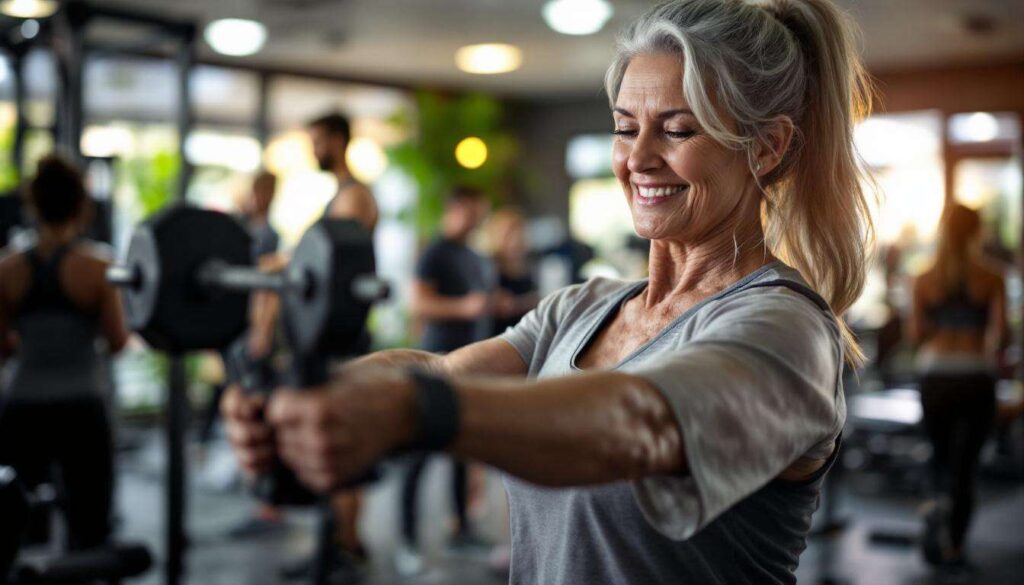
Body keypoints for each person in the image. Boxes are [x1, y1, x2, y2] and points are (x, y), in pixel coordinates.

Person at [224, 0, 875, 582]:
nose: (637, 158)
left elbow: (638, 424)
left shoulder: (788, 330)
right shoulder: (581, 308)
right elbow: (441, 371)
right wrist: (308, 398)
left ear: (766, 147)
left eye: (677, 129)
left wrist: (411, 410)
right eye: (625, 127)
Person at [0, 154, 129, 550]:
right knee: (89, 527)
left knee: (18, 528)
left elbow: (2, 348)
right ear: (80, 206)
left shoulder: (7, 269)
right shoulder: (98, 267)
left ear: (34, 205)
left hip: (23, 404)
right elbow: (117, 341)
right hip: (81, 405)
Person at [396, 186, 494, 574]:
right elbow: (418, 303)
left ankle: (461, 530)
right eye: (471, 211)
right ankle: (407, 541)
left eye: (480, 212)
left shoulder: (472, 255)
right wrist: (465, 307)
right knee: (419, 453)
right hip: (436, 362)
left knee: (461, 448)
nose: (476, 219)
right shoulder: (435, 252)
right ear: (454, 209)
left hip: (468, 363)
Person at [908, 203, 1006, 572]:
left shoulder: (923, 278)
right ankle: (955, 549)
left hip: (936, 375)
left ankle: (935, 510)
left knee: (938, 458)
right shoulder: (992, 277)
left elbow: (915, 335)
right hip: (975, 375)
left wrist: (942, 323)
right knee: (965, 469)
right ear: (978, 232)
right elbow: (1003, 336)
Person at [487, 207, 539, 337]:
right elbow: (500, 306)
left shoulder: (528, 265)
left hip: (526, 336)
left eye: (519, 233)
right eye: (509, 234)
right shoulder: (487, 267)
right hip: (497, 338)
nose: (515, 239)